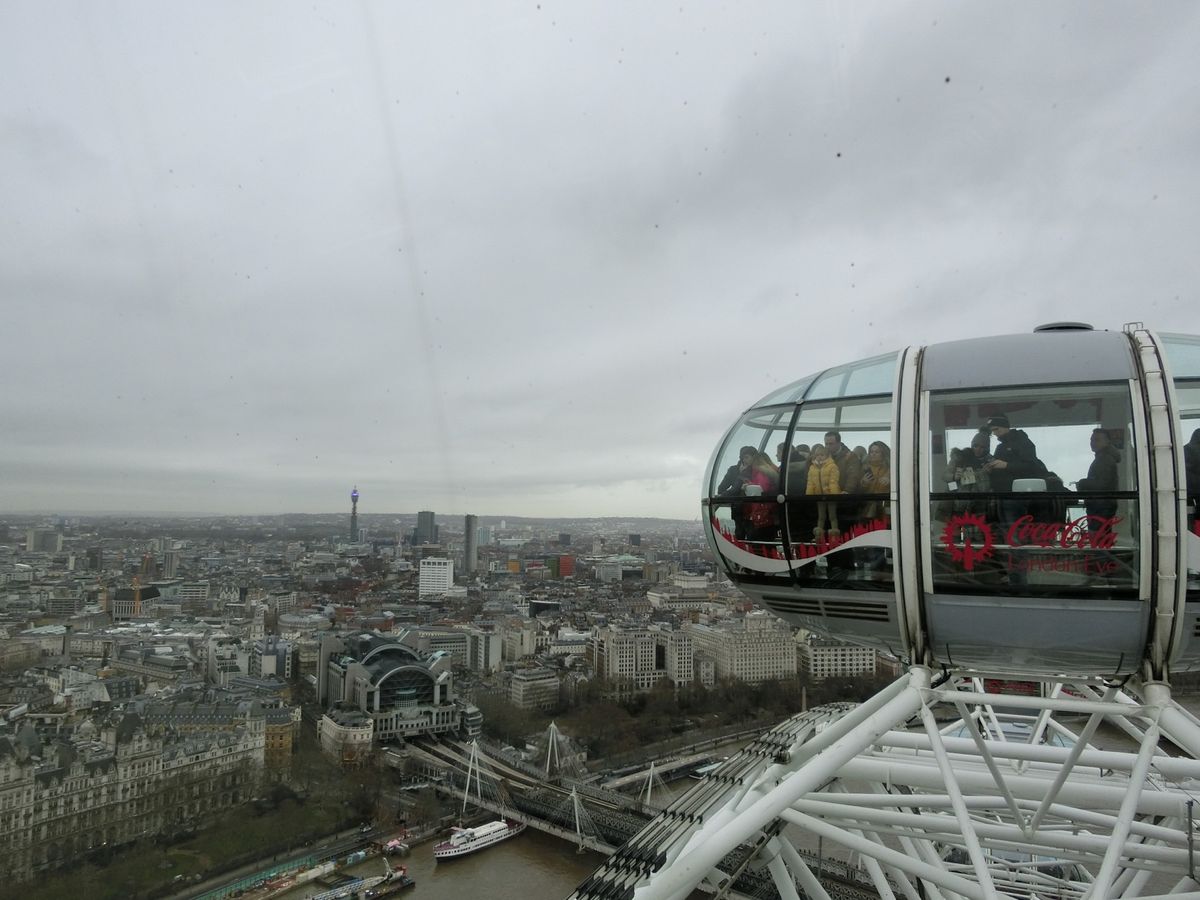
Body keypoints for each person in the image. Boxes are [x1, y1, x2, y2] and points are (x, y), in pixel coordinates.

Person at [1076, 428, 1121, 523]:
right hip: (1102, 507)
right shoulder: (1104, 458)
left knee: (1098, 536)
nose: (1092, 443)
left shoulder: (1104, 460)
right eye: (1091, 440)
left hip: (1100, 509)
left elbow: (1101, 485)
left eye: (1097, 440)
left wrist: (1082, 483)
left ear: (1107, 441)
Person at [717, 445, 755, 539]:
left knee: (740, 536)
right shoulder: (755, 470)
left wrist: (730, 496)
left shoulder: (733, 470)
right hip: (753, 510)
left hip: (738, 508)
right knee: (752, 537)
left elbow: (721, 488)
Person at [806, 443, 841, 541]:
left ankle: (834, 535)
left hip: (830, 495)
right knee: (821, 516)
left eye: (822, 455)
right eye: (817, 455)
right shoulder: (812, 467)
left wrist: (834, 494)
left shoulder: (832, 466)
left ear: (827, 456)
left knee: (832, 516)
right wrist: (809, 494)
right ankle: (818, 535)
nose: (819, 457)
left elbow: (833, 481)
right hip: (819, 495)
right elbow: (810, 482)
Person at [743, 449, 780, 541]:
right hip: (771, 510)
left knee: (760, 540)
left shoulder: (761, 473)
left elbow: (763, 489)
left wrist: (748, 486)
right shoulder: (773, 470)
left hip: (764, 511)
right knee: (768, 539)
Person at [860, 441, 891, 522]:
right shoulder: (863, 468)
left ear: (883, 454)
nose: (873, 454)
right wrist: (864, 483)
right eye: (871, 452)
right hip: (867, 506)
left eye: (877, 452)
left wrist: (891, 482)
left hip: (886, 505)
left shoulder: (891, 469)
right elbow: (856, 490)